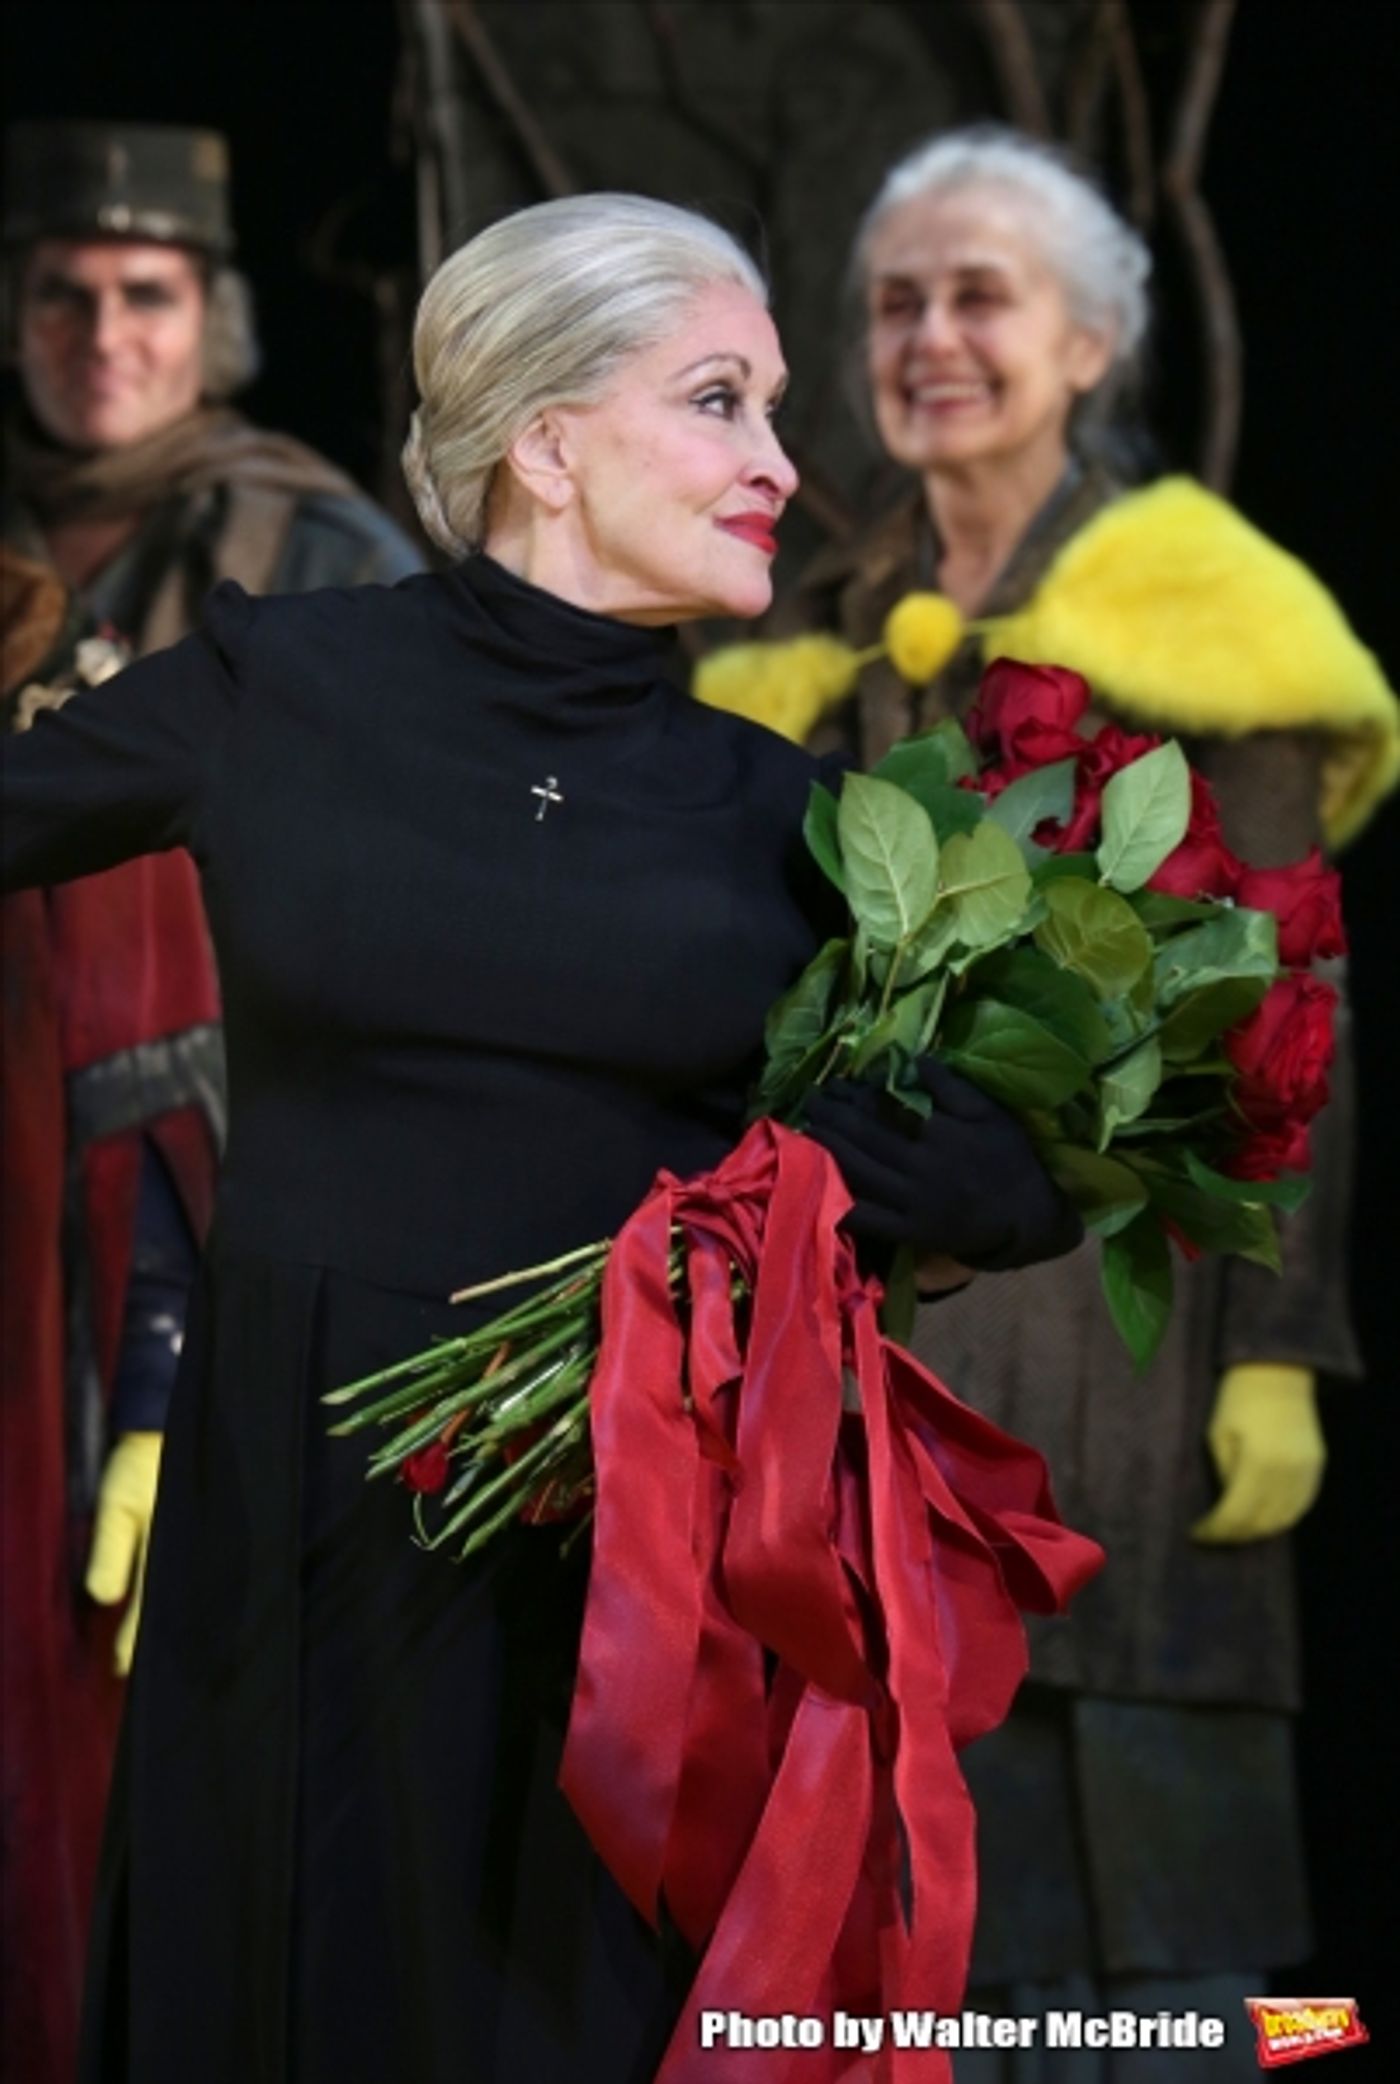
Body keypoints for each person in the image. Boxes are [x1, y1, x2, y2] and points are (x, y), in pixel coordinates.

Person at [1, 191, 1085, 2084]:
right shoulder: (281, 690)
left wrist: (869, 1168)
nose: (780, 464)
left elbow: (1023, 1177)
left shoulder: (794, 816)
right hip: (301, 1535)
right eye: (724, 403)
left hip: (624, 1579)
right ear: (550, 437)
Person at [717, 127, 1398, 2077]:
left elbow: (1291, 993)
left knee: (1191, 1957)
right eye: (896, 301)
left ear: (1090, 342)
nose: (931, 336)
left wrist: (1284, 1345)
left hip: (1136, 1350)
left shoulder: (1203, 612)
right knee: (908, 1928)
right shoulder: (810, 624)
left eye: (980, 296)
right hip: (866, 1355)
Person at [0, 120, 423, 2084]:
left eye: (146, 295)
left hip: (242, 1194)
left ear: (213, 320)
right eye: (65, 291)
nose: (103, 336)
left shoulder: (318, 549)